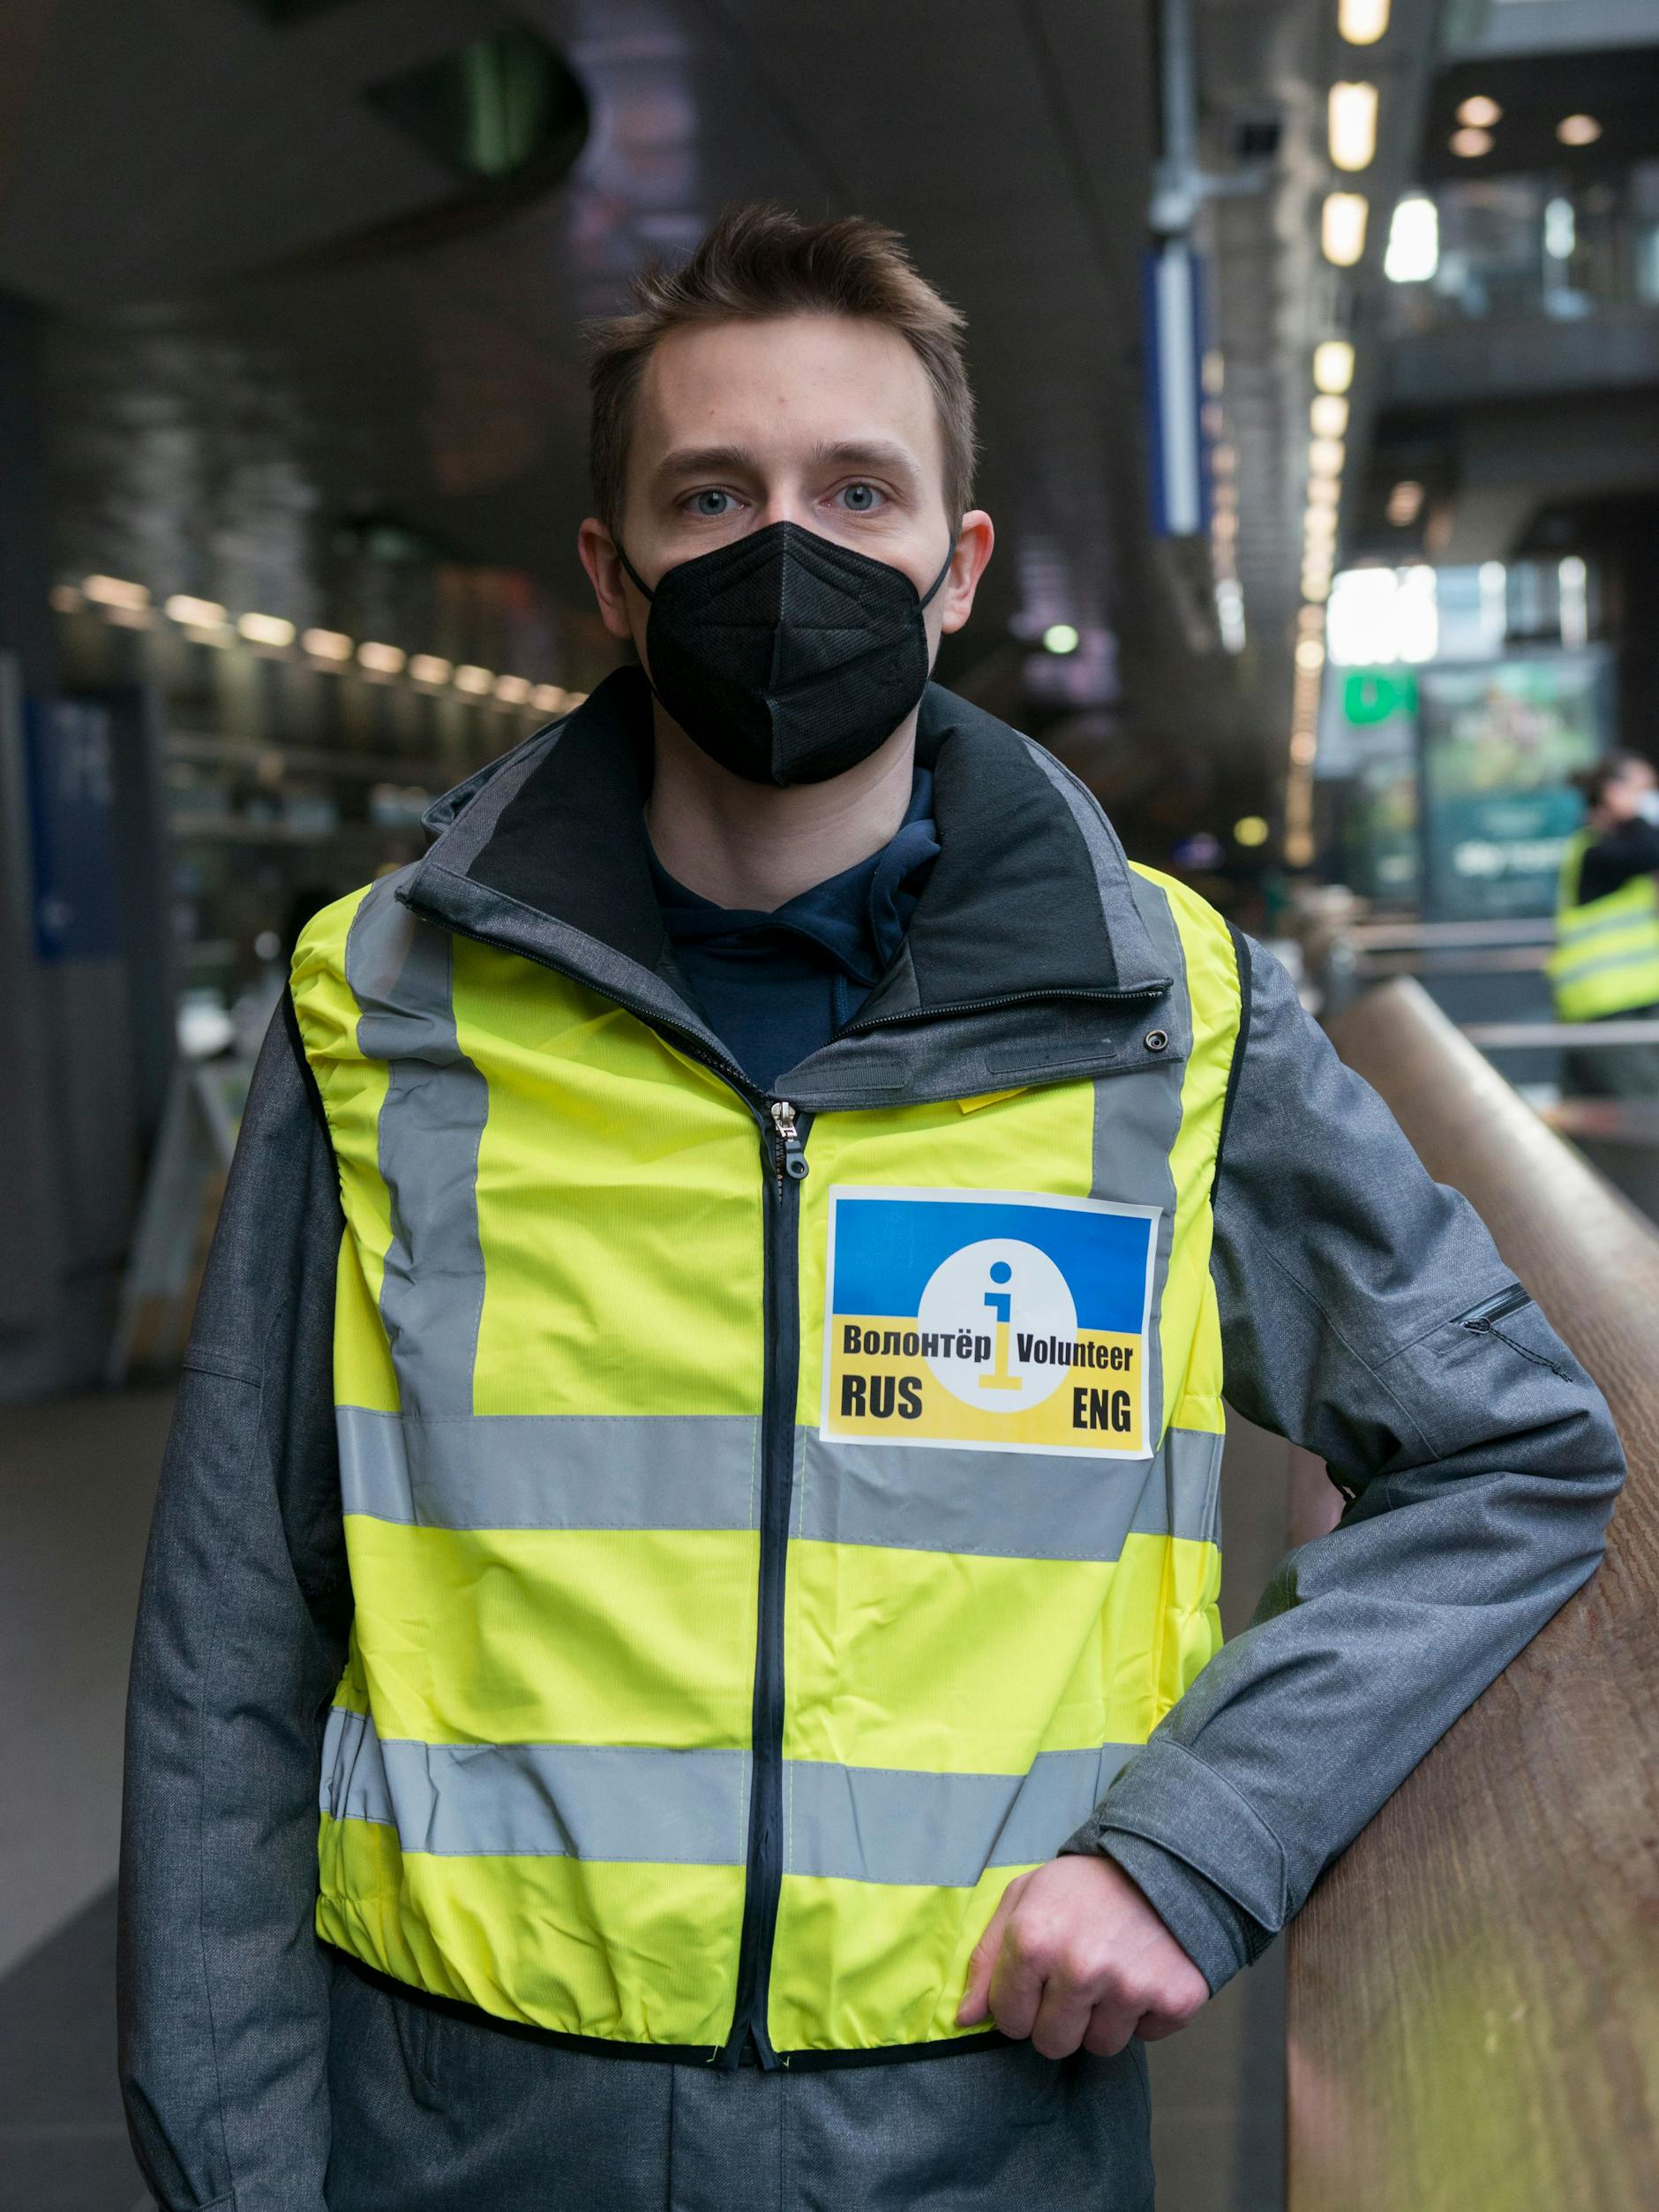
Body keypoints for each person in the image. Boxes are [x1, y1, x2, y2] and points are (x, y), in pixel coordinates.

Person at [120, 207, 1623, 2212]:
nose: (783, 552)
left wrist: (1192, 1843)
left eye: (854, 491)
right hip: (463, 2125)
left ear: (955, 569)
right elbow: (231, 1643)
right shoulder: (382, 1009)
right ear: (611, 574)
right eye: (710, 494)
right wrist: (230, 2171)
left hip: (969, 2122)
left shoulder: (1167, 1022)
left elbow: (1503, 1453)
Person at [1550, 752, 1659, 1097]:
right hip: (1607, 1002)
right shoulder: (1597, 852)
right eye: (1644, 789)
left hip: (1629, 999)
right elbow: (1650, 849)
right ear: (1613, 793)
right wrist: (1635, 815)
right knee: (1644, 1106)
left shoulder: (1614, 848)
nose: (1650, 800)